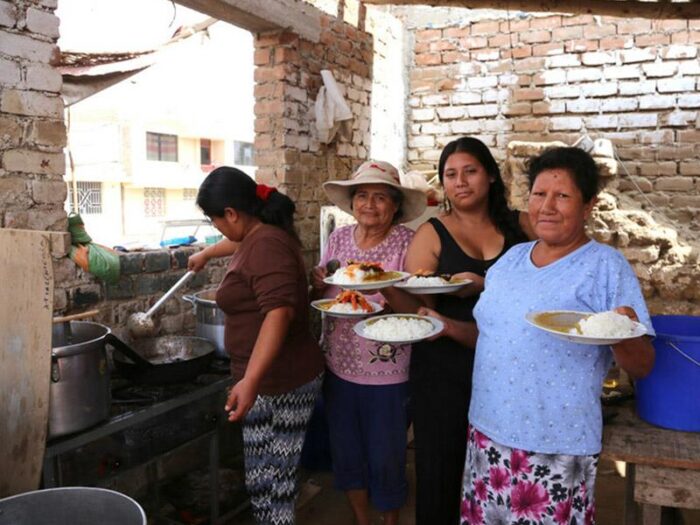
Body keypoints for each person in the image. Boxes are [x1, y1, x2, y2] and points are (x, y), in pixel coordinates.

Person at [460, 147, 655, 524]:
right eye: (538, 194)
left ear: (588, 206)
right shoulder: (511, 260)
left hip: (554, 443)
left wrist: (623, 331)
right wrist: (446, 326)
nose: (547, 206)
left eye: (562, 196)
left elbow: (643, 365)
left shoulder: (604, 267)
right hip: (487, 431)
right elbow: (496, 336)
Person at [384, 137, 531, 525]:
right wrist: (384, 286)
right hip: (443, 369)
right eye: (451, 174)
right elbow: (420, 310)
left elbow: (544, 285)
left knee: (504, 471)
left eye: (470, 171)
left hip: (508, 369)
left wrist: (483, 284)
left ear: (492, 177)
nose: (460, 182)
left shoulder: (522, 226)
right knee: (440, 470)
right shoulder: (431, 234)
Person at [192, 166, 324, 525]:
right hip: (264, 381)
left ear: (232, 213)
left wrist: (249, 380)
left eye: (214, 219)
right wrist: (206, 254)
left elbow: (278, 314)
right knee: (261, 482)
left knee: (275, 485)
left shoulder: (266, 244)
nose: (216, 227)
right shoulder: (258, 235)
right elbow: (236, 241)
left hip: (282, 382)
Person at [310, 160, 427, 525]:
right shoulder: (339, 239)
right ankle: (362, 518)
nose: (369, 205)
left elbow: (418, 306)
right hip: (338, 363)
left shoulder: (409, 242)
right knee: (346, 450)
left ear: (395, 205)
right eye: (362, 196)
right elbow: (328, 288)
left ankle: (389, 519)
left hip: (388, 370)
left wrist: (384, 282)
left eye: (380, 197)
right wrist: (317, 281)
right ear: (351, 202)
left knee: (386, 454)